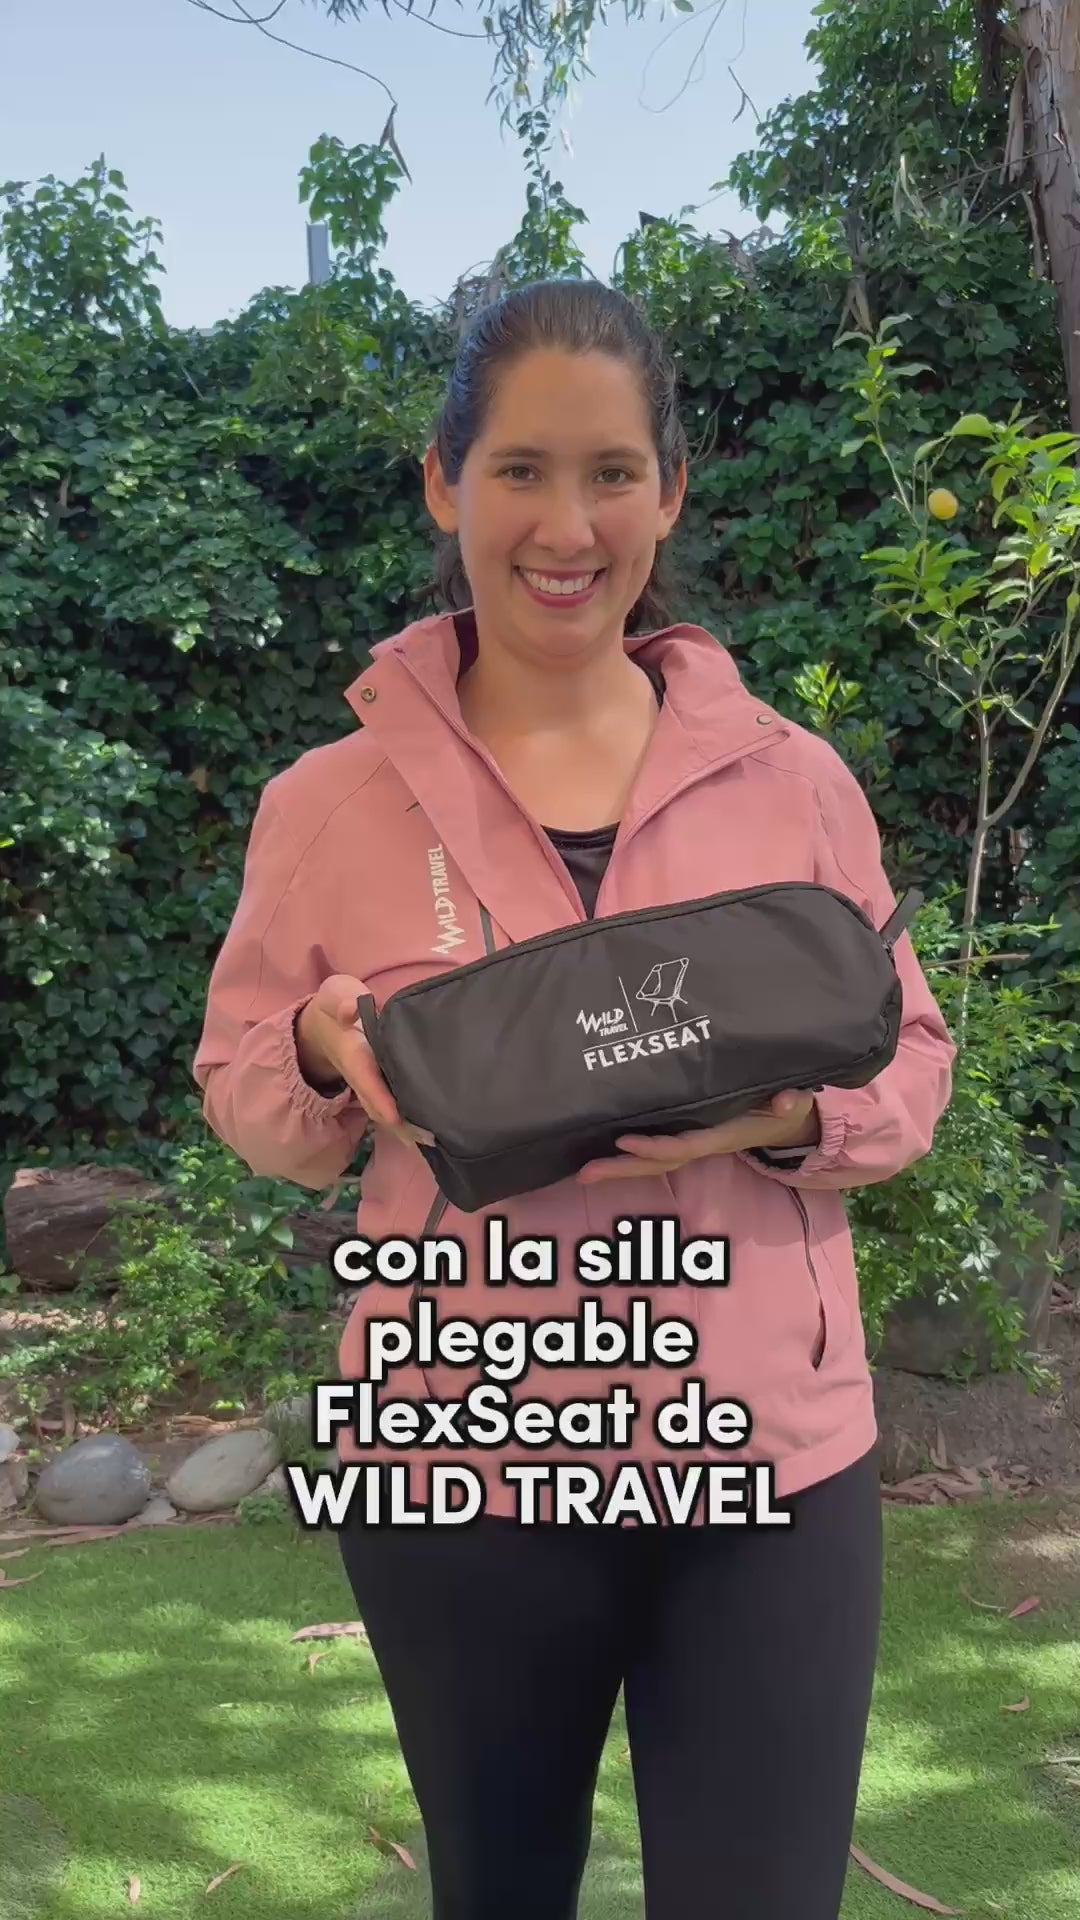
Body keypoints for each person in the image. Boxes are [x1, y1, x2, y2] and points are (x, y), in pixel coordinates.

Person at [192, 278, 956, 1920]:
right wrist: (318, 1054)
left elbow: (913, 1061)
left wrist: (784, 1123)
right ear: (443, 483)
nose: (567, 524)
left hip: (766, 1465)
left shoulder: (795, 783)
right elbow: (243, 1093)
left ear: (667, 492)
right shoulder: (329, 803)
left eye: (612, 472)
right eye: (521, 469)